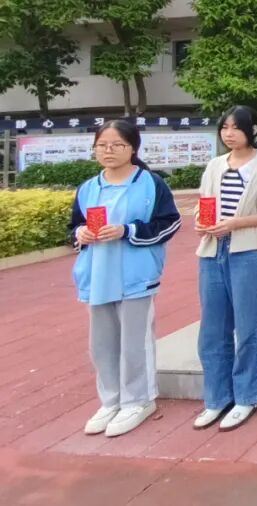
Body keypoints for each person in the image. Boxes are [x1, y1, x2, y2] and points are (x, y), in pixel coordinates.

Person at [70, 120, 182, 437]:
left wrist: (127, 230)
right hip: (97, 275)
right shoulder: (88, 188)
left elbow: (170, 223)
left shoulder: (150, 184)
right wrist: (80, 234)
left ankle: (138, 400)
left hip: (136, 275)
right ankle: (111, 400)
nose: (108, 150)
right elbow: (73, 227)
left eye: (117, 144)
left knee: (135, 341)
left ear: (132, 148)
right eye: (102, 145)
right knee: (102, 343)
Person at [192, 106, 257, 431]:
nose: (229, 133)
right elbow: (204, 202)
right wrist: (201, 220)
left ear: (252, 130)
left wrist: (236, 223)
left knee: (249, 327)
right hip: (211, 250)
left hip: (247, 251)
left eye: (236, 127)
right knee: (212, 329)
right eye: (225, 127)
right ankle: (217, 398)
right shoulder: (215, 165)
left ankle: (249, 394)